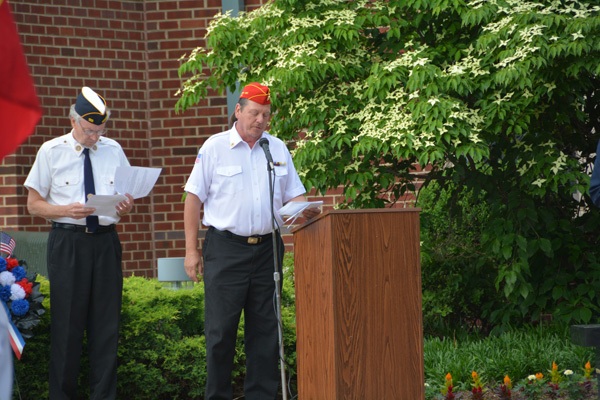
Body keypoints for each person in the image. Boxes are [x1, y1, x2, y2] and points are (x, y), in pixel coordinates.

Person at [184, 82, 319, 400]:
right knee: (220, 334)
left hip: (268, 249)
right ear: (238, 111)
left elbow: (294, 195)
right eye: (255, 113)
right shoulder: (215, 147)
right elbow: (193, 200)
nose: (261, 120)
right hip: (226, 249)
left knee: (266, 333)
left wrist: (307, 209)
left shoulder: (277, 148)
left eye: (266, 115)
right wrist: (191, 251)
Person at [24, 87, 134, 400]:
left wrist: (126, 205)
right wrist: (64, 210)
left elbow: (126, 198)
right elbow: (33, 204)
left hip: (105, 243)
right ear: (73, 121)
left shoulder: (113, 149)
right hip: (68, 242)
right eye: (89, 131)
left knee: (106, 329)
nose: (95, 138)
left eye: (100, 131)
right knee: (67, 330)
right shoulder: (51, 151)